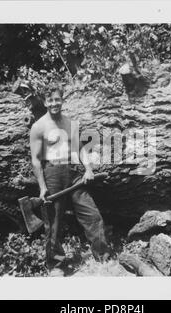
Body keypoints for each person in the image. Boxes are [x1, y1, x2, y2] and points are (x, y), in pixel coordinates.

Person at [29, 84, 110, 276]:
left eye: (57, 99)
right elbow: (35, 160)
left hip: (74, 173)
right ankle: (55, 266)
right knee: (53, 222)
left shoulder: (71, 123)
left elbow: (80, 148)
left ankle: (104, 258)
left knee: (92, 215)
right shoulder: (38, 127)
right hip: (52, 174)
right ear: (45, 102)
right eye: (50, 100)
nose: (54, 103)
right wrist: (42, 188)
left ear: (62, 100)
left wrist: (88, 169)